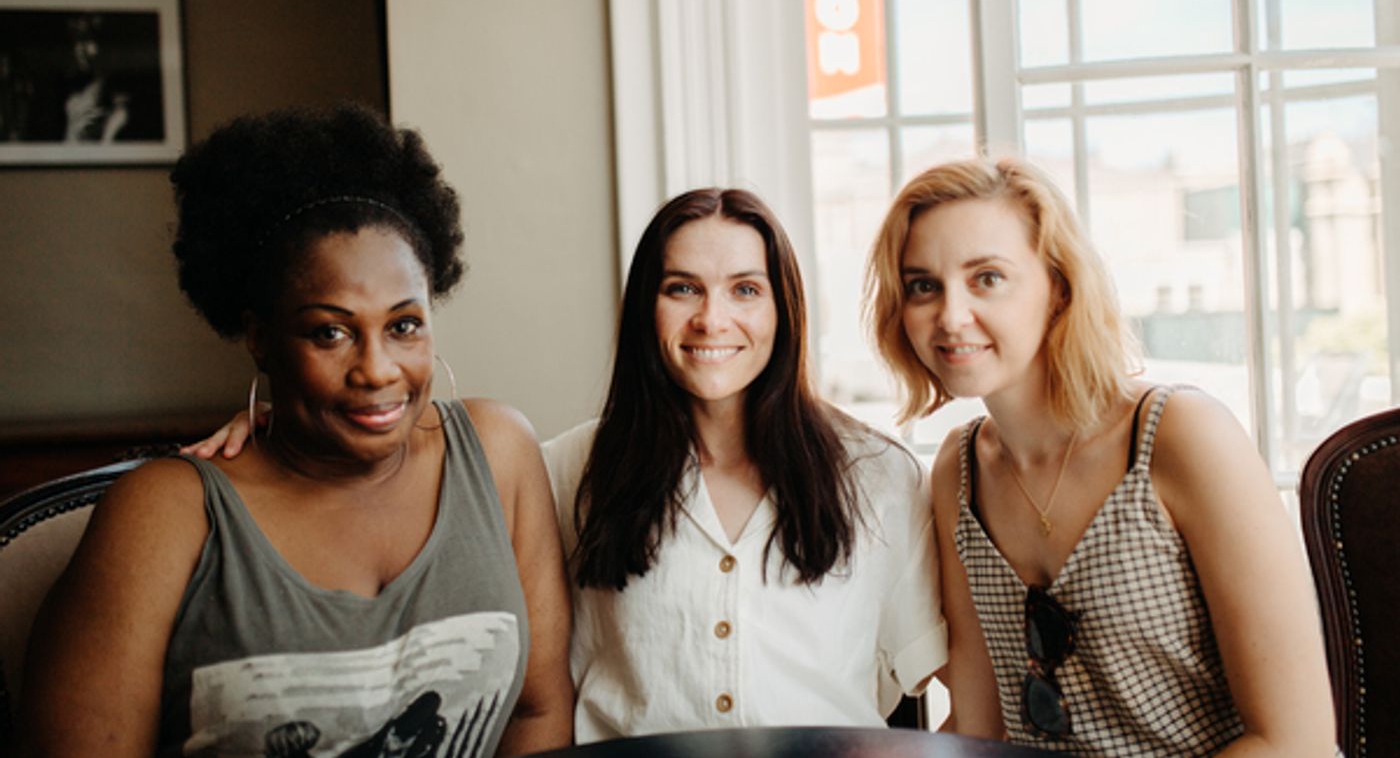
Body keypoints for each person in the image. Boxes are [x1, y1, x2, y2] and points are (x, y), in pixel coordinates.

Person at [192, 187, 948, 744]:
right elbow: (398, 446)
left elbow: (901, 691)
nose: (712, 320)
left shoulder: (880, 474)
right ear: (643, 308)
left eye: (745, 290)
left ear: (782, 308)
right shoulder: (560, 470)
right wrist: (283, 415)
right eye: (680, 288)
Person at [21, 105, 572, 757]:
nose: (376, 369)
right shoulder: (164, 513)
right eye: (329, 332)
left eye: (404, 325)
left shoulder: (499, 453)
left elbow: (538, 709)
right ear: (260, 337)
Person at [864, 156, 1334, 755]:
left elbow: (1297, 741)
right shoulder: (959, 471)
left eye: (987, 278)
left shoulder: (1179, 437)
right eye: (923, 285)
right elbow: (979, 729)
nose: (951, 316)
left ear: (1057, 288)